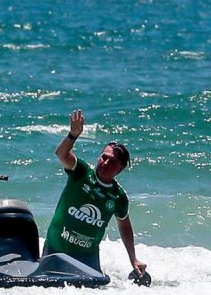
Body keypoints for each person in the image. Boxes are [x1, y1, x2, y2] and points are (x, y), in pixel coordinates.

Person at [44, 109, 147, 277]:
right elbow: (61, 154)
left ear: (120, 169)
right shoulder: (81, 172)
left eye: (112, 161)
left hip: (87, 257)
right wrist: (73, 135)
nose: (105, 162)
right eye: (103, 157)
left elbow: (125, 225)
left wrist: (133, 259)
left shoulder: (119, 196)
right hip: (56, 248)